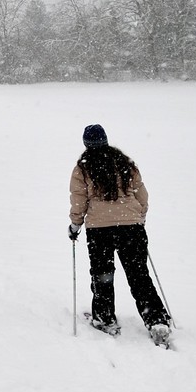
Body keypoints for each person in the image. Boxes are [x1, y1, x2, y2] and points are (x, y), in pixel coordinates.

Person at [69, 124, 172, 347]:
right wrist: (138, 218)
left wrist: (75, 225)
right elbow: (142, 196)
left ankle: (105, 318)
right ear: (105, 140)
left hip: (99, 230)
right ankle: (156, 319)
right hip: (131, 228)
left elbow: (79, 200)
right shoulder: (125, 163)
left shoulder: (83, 168)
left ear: (86, 144)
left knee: (102, 274)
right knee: (139, 275)